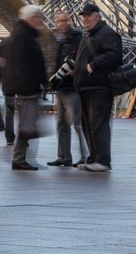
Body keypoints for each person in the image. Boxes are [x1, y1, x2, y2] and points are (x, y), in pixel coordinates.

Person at [73, 3, 122, 173]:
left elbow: (115, 56)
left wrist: (93, 65)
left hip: (99, 87)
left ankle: (102, 160)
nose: (85, 19)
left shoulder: (107, 34)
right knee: (89, 126)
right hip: (87, 88)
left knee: (98, 125)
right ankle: (94, 158)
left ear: (97, 16)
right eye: (83, 16)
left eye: (88, 15)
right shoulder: (89, 35)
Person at [3, 5, 47, 171]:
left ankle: (20, 158)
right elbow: (22, 65)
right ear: (30, 18)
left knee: (27, 125)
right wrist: (29, 86)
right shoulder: (23, 36)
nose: (40, 21)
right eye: (37, 17)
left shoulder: (23, 34)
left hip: (26, 88)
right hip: (26, 89)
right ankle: (19, 159)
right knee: (26, 126)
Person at [47, 10, 88, 168]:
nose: (62, 23)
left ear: (69, 21)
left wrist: (75, 70)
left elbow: (82, 57)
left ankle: (85, 155)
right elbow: (51, 59)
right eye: (59, 21)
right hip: (59, 86)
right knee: (61, 123)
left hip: (72, 86)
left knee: (77, 123)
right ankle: (64, 156)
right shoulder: (53, 38)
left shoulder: (76, 37)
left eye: (65, 20)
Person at [0, 37, 14, 146]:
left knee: (10, 111)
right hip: (21, 82)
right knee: (22, 110)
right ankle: (22, 138)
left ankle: (10, 137)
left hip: (8, 81)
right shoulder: (26, 41)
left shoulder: (4, 42)